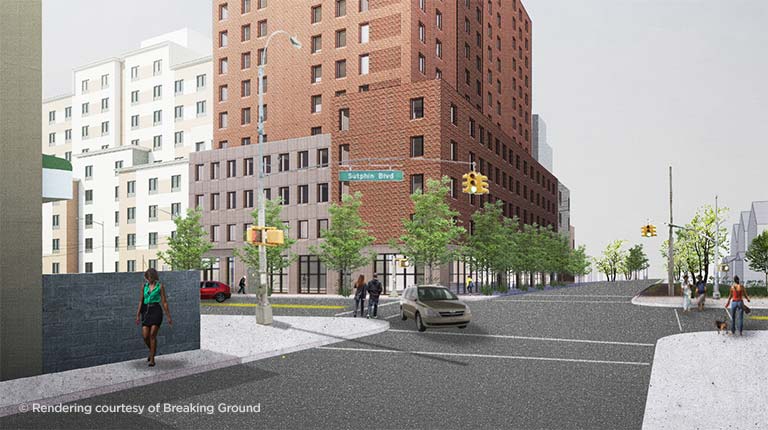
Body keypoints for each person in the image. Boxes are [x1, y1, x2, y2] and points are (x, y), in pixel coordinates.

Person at [135, 268, 172, 367]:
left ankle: (152, 359)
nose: (149, 279)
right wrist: (138, 314)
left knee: (152, 335)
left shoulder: (160, 286)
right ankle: (152, 350)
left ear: (154, 277)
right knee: (145, 336)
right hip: (146, 311)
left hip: (156, 310)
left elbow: (164, 302)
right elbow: (140, 301)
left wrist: (168, 316)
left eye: (151, 277)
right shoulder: (144, 286)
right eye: (147, 277)